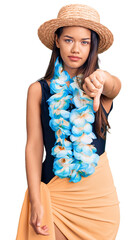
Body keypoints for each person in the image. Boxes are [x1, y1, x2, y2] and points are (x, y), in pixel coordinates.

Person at [16, 4, 121, 240]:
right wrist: (35, 199)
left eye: (85, 42)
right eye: (68, 39)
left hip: (97, 202)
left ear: (93, 46)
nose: (76, 49)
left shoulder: (100, 88)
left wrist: (103, 78)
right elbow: (33, 147)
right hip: (54, 195)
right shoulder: (37, 90)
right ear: (57, 40)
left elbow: (116, 86)